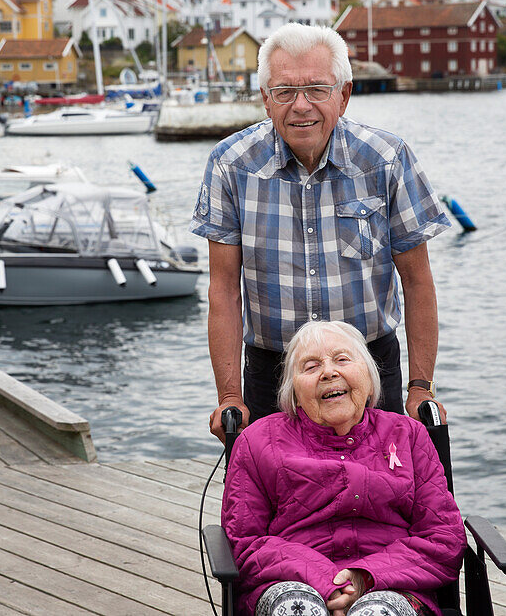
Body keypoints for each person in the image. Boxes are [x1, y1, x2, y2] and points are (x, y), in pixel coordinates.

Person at [190, 23, 451, 440]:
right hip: (272, 372)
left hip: (368, 365)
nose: (300, 105)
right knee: (268, 501)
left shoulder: (387, 159)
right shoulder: (230, 165)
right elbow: (223, 289)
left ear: (343, 96)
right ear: (265, 100)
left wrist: (420, 387)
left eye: (316, 89)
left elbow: (417, 282)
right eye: (284, 92)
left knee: (381, 497)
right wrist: (228, 397)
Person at [221, 321, 465, 616]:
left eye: (342, 360)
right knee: (297, 607)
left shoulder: (408, 435)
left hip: (391, 584)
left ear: (369, 376)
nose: (328, 372)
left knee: (375, 613)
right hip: (289, 581)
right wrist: (322, 578)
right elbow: (244, 543)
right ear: (294, 391)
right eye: (310, 367)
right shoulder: (256, 442)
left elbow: (443, 538)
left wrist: (365, 578)